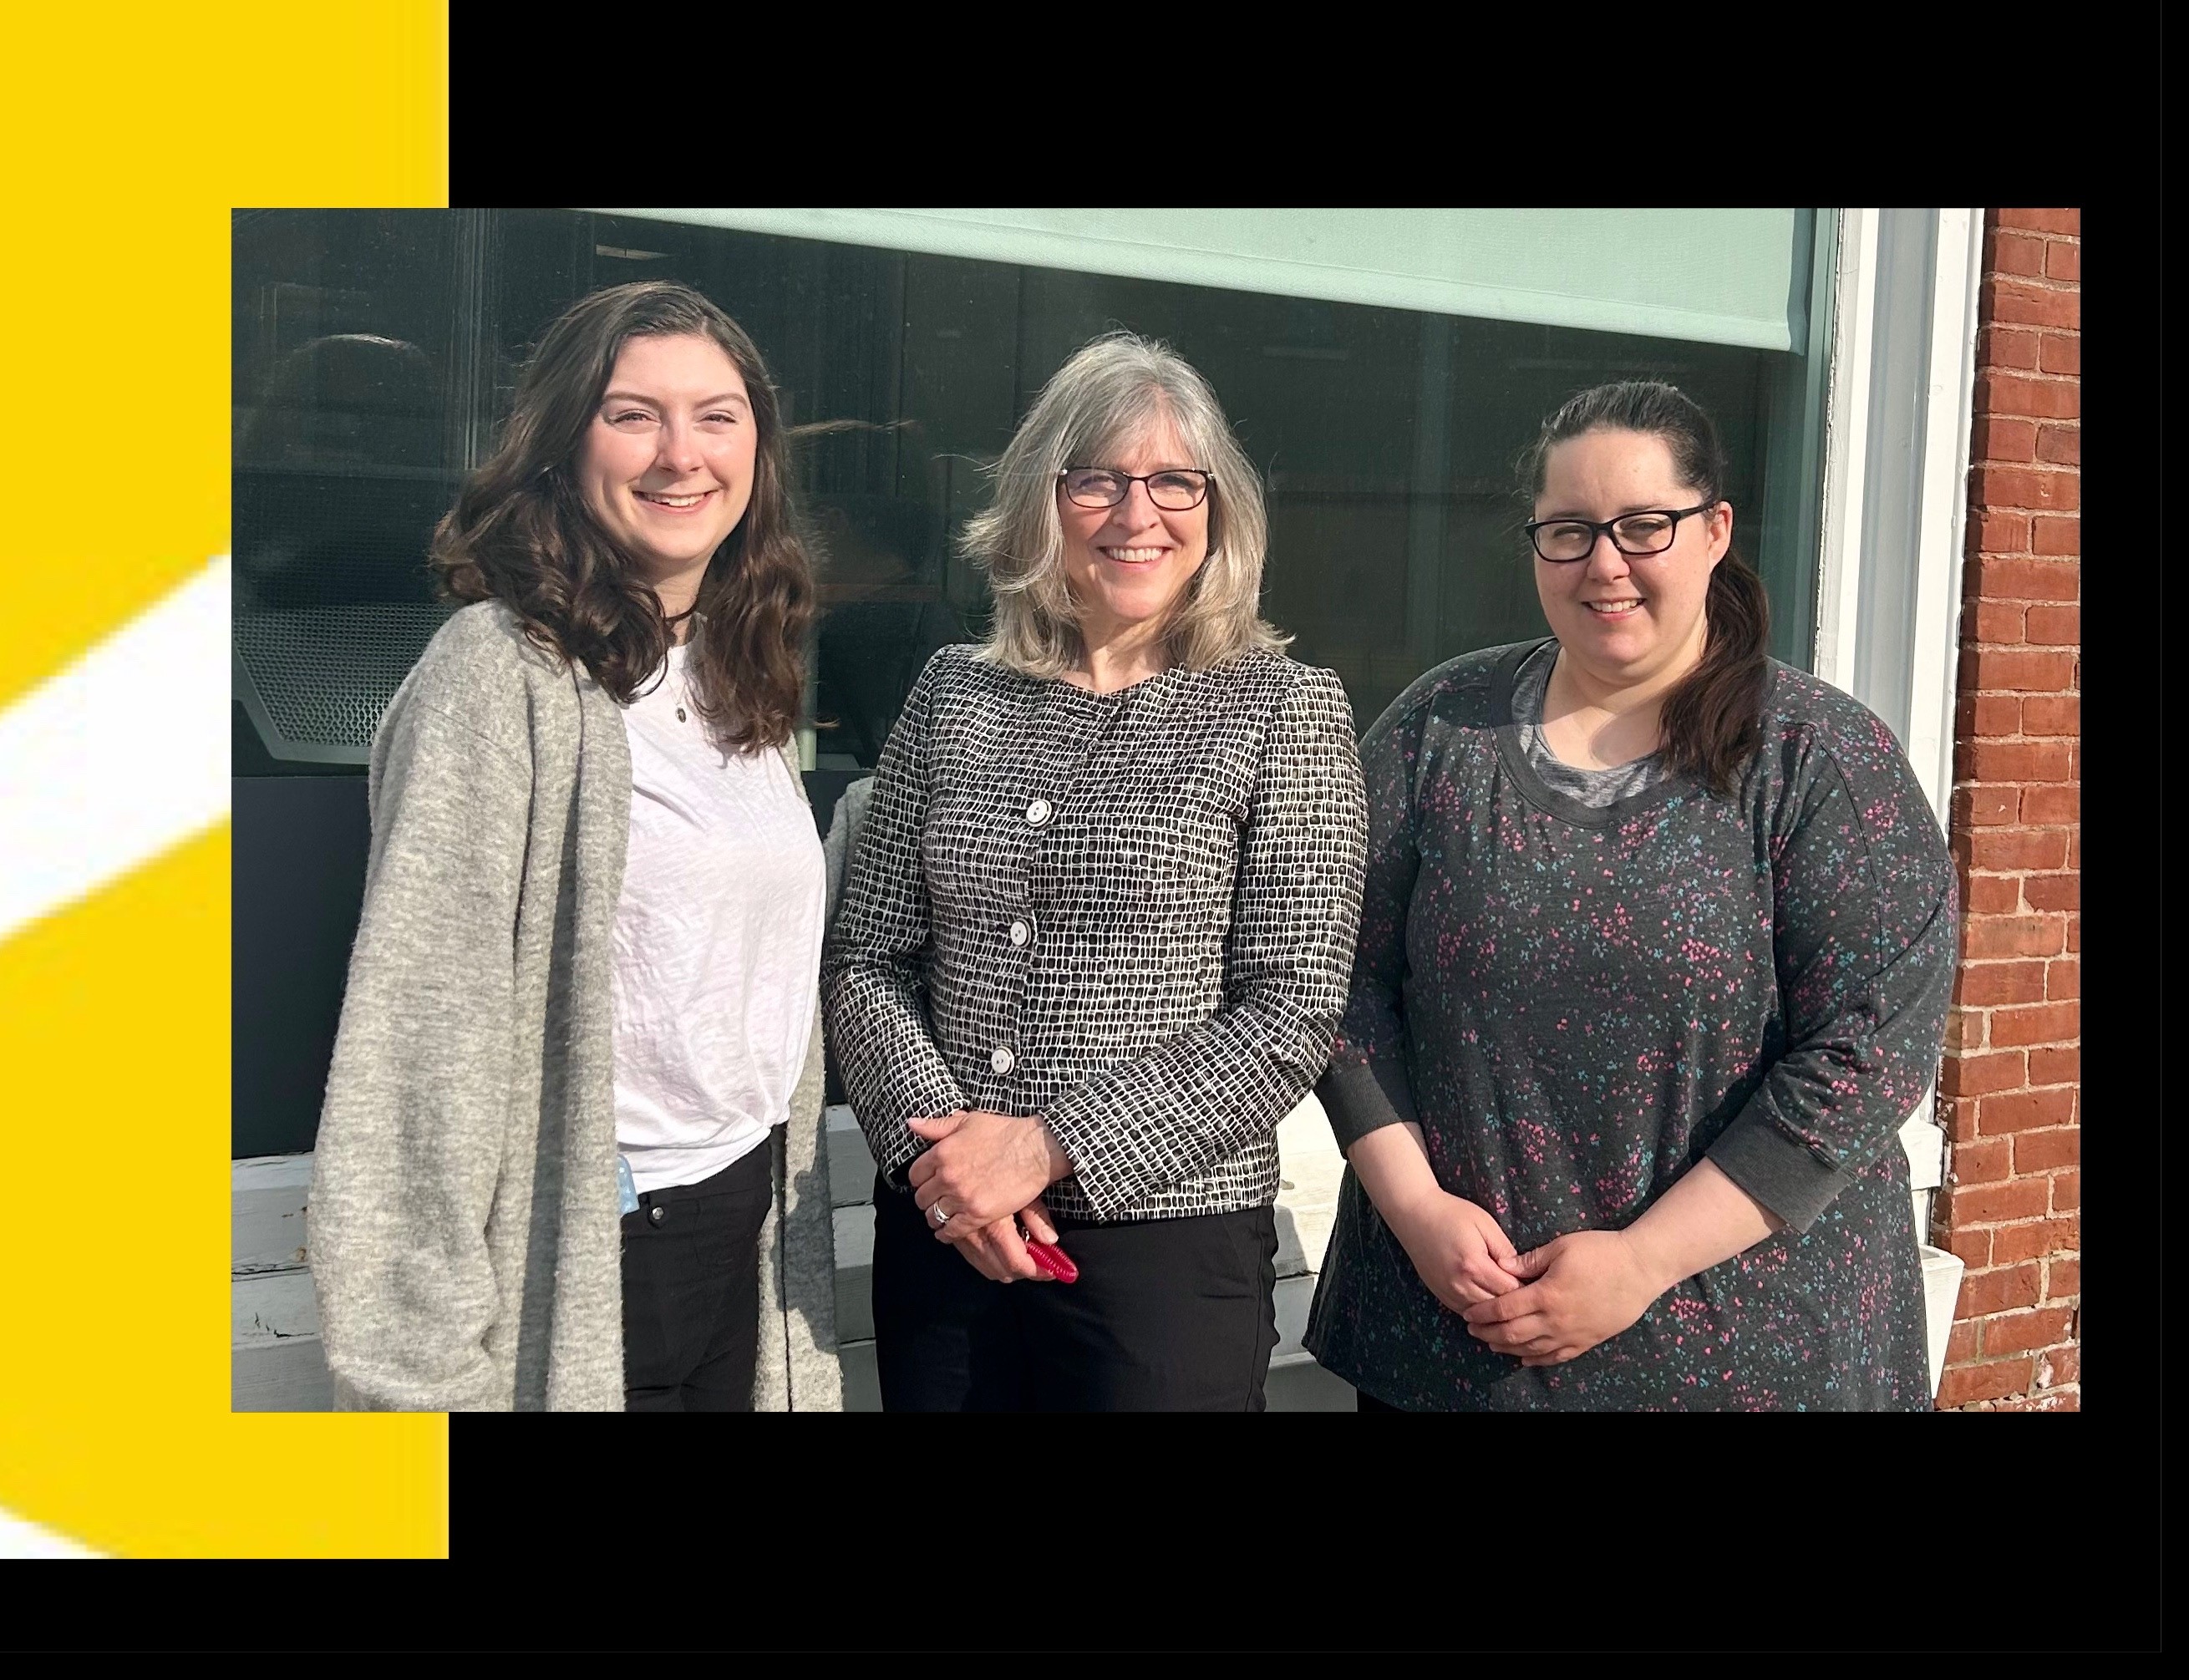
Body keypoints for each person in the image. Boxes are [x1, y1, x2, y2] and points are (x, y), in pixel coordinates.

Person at [1306, 380, 1956, 1410]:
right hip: (1457, 1348)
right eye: (1568, 530)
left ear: (1714, 532)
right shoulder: (1441, 728)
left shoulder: (1817, 760)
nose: (1604, 562)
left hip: (1747, 1360)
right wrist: (1416, 1207)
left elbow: (1868, 1055)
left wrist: (1644, 1259)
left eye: (1642, 525)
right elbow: (1331, 975)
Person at [306, 279, 841, 1412]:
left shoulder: (739, 672)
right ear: (560, 445)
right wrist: (420, 1376)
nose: (679, 453)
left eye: (717, 414)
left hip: (741, 1233)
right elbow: (418, 1047)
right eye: (631, 412)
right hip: (599, 1256)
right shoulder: (498, 677)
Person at [825, 332, 1363, 1412]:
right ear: (1042, 501)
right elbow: (867, 956)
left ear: (1218, 509)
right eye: (1099, 481)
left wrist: (1048, 1147)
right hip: (945, 1239)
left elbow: (1292, 1012)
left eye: (1174, 481)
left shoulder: (1283, 708)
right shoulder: (953, 692)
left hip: (1168, 1256)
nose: (1137, 513)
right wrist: (944, 1163)